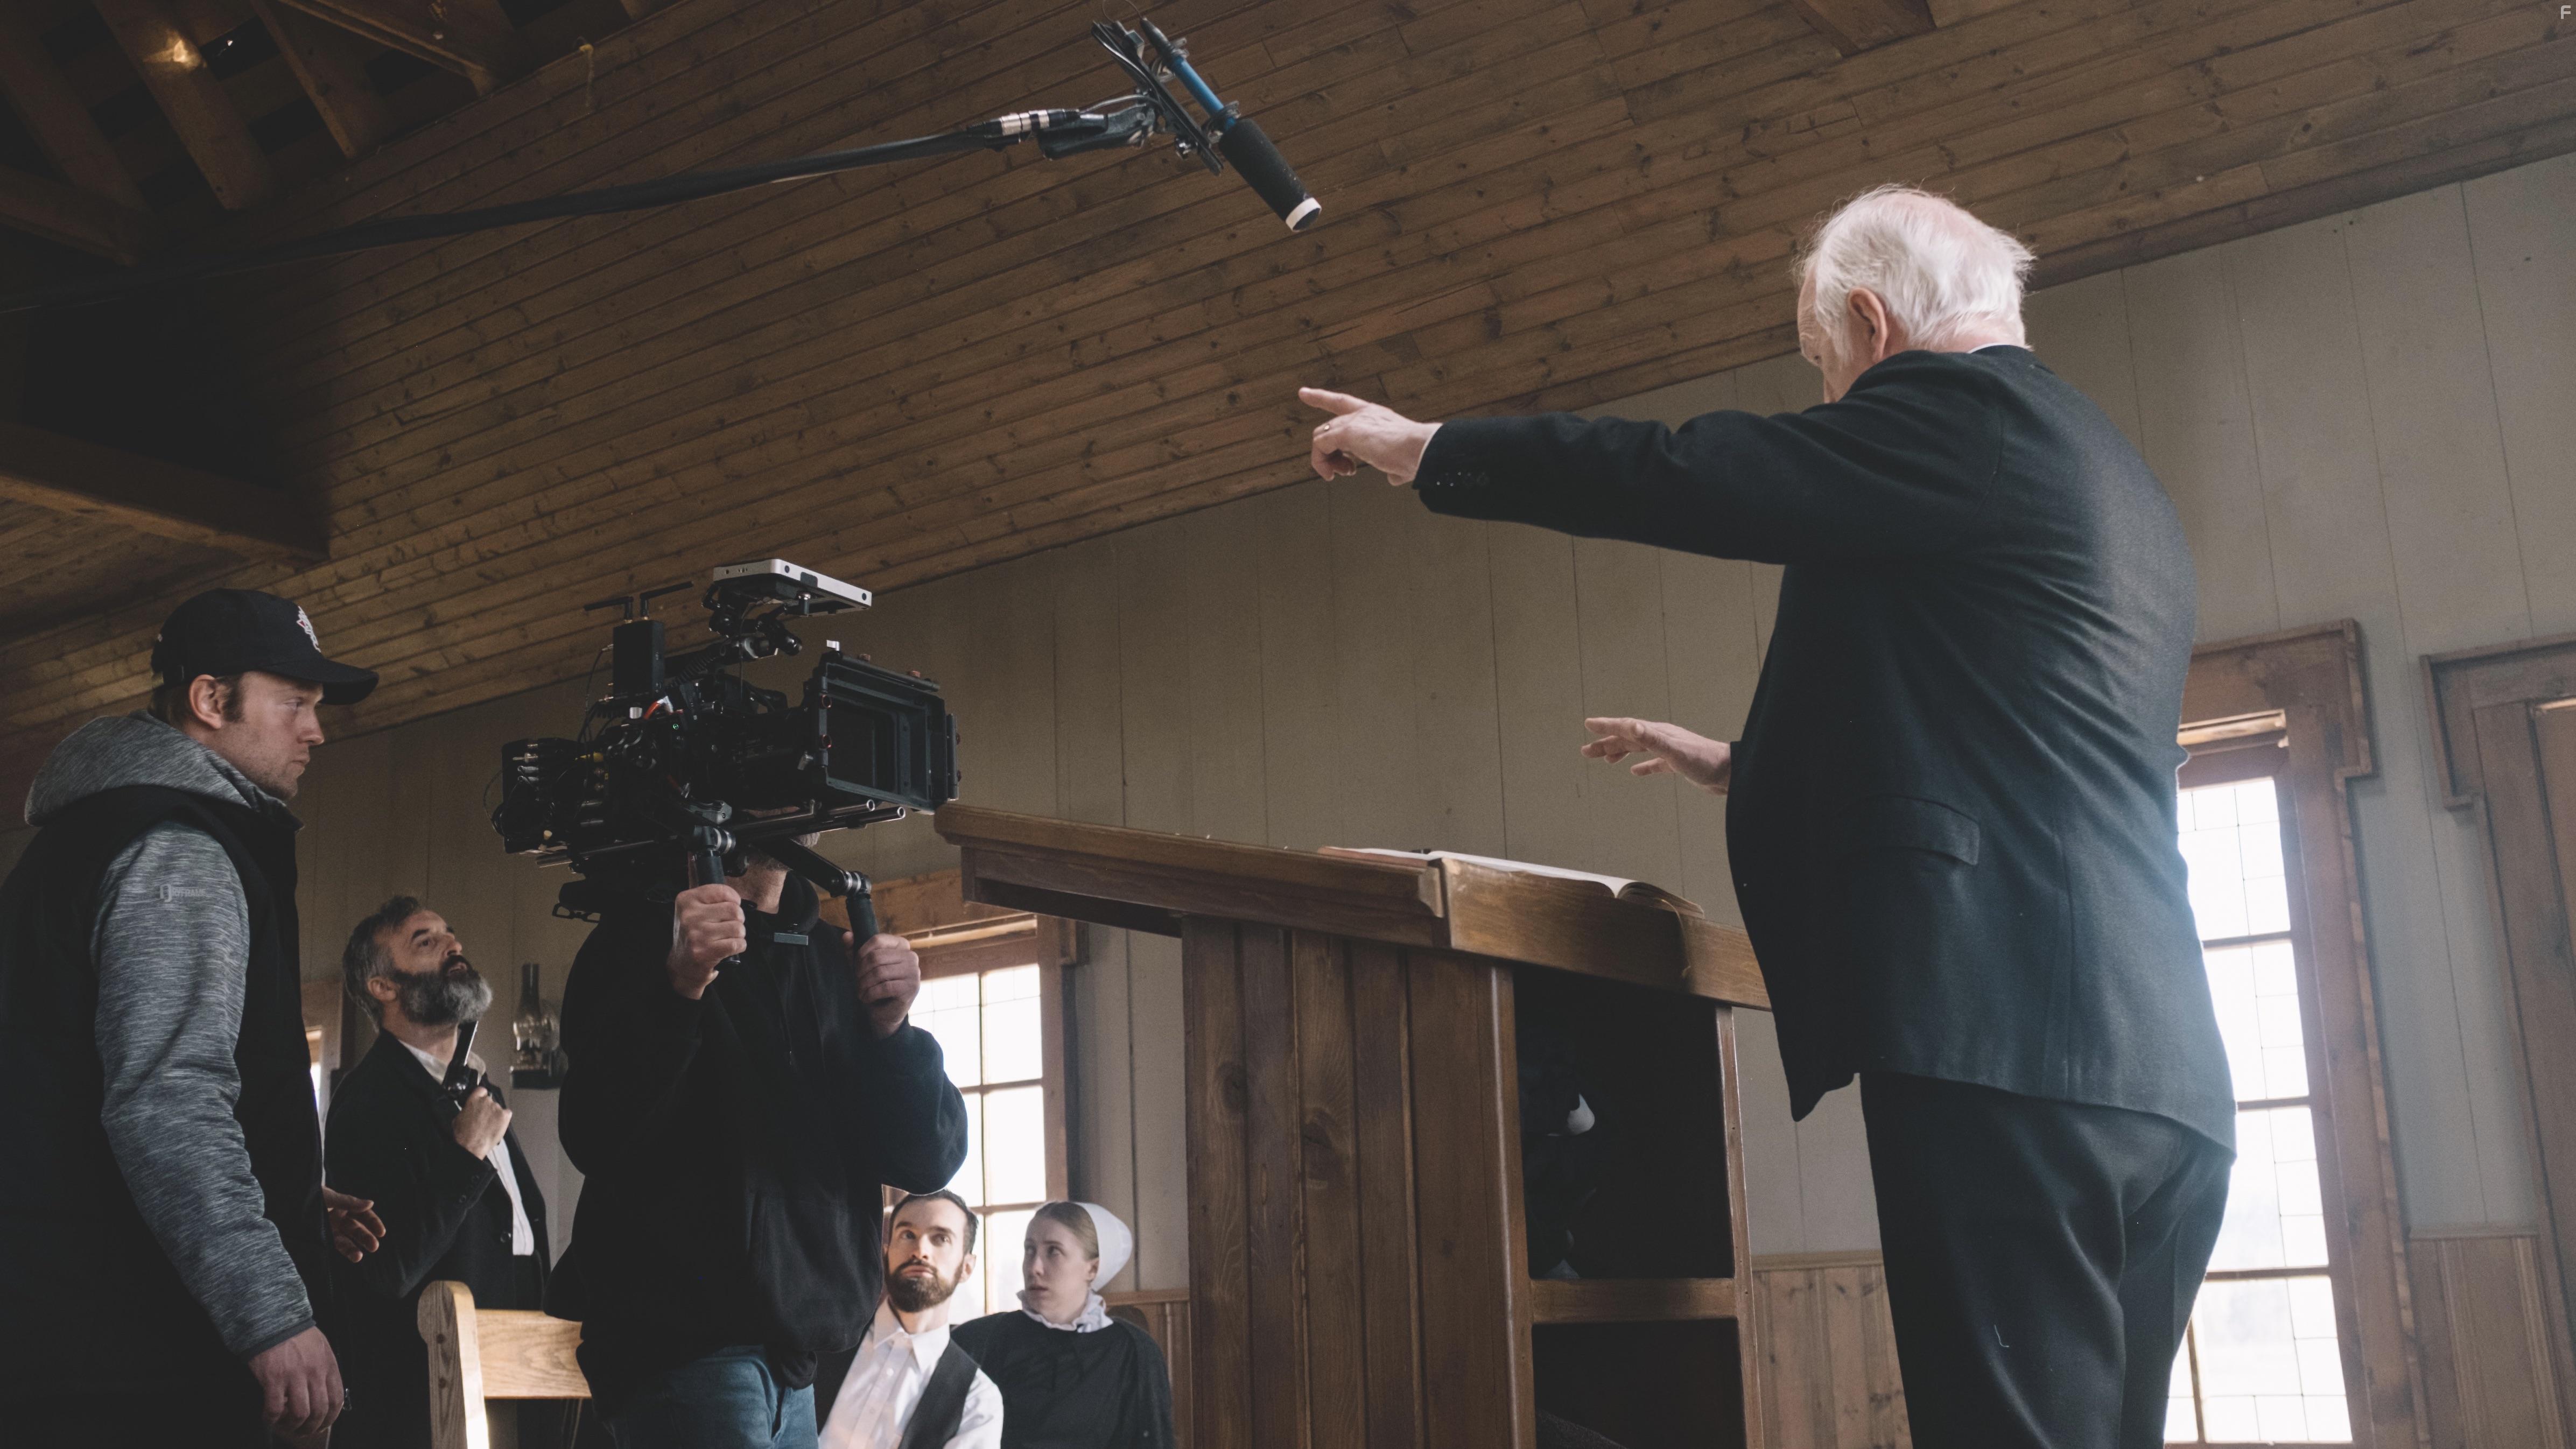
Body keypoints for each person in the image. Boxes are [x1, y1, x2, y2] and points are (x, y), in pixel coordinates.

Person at [1297, 184, 2235, 1449]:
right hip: (2156, 1071)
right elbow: (2016, 733)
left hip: (2011, 1056)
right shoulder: (2103, 467)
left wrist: (1428, 448)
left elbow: (1684, 471)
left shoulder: (1955, 414)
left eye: (1821, 366)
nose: (1829, 398)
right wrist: (1752, 764)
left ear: (1869, 321)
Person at [0, 588, 386, 1446]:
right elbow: (166, 1099)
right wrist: (272, 1315)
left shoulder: (84, 839)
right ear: (211, 701)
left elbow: (73, 1096)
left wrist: (284, 1194)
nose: (316, 732)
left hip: (65, 1349)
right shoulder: (178, 846)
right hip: (137, 1370)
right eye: (294, 704)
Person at [552, 833, 969, 1449]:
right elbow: (593, 1133)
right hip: (682, 1347)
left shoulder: (833, 955)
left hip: (801, 1355)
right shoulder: (643, 938)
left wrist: (892, 1028)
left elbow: (925, 1159)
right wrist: (681, 983)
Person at [325, 896, 554, 1448]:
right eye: (425, 941)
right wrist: (467, 1152)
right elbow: (389, 1268)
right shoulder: (368, 1098)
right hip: (425, 1408)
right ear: (383, 986)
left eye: (451, 934)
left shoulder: (479, 1091)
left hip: (518, 1381)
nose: (454, 945)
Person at [951, 1202, 1174, 1449]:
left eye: (1053, 1252)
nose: (1034, 1267)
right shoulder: (980, 1339)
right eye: (1030, 1250)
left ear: (1093, 1268)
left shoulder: (1134, 1352)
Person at [816, 1190, 1003, 1449]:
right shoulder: (824, 1338)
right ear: (886, 1253)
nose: (920, 1250)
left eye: (941, 1238)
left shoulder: (978, 1400)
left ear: (967, 1267)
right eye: (908, 1235)